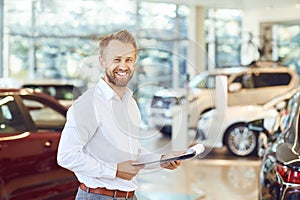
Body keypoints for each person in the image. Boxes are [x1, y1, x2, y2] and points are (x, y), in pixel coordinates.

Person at [57, 30, 183, 200]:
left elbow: (132, 152)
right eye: (116, 59)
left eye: (128, 60)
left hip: (129, 196)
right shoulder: (88, 104)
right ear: (102, 62)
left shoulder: (130, 103)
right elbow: (66, 156)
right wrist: (114, 170)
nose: (123, 66)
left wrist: (161, 160)